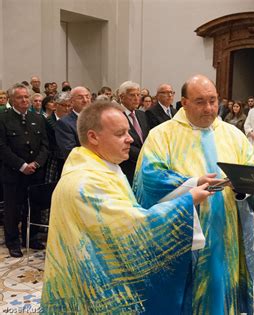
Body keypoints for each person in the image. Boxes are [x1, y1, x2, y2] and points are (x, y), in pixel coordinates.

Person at [41, 101, 212, 313]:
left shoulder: (101, 167)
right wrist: (186, 203)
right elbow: (135, 227)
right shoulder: (86, 184)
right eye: (120, 133)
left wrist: (190, 186)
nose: (130, 139)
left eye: (128, 132)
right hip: (91, 293)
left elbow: (126, 215)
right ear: (93, 137)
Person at [133, 74, 254, 314]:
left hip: (226, 232)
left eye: (213, 100)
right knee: (188, 296)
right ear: (184, 102)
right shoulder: (163, 135)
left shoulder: (233, 134)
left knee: (220, 289)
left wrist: (242, 184)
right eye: (200, 101)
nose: (209, 108)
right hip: (183, 236)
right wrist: (191, 184)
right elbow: (148, 177)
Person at [0, 83, 49, 257]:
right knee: (13, 209)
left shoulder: (38, 118)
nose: (24, 100)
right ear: (12, 99)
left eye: (26, 97)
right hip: (13, 173)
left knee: (34, 207)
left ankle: (32, 238)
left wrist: (36, 163)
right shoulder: (3, 118)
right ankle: (13, 242)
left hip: (35, 172)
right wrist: (21, 165)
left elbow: (45, 144)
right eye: (20, 97)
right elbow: (2, 147)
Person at [117, 81, 149, 185]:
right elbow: (120, 142)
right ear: (121, 97)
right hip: (126, 167)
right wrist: (145, 155)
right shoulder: (116, 115)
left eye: (138, 95)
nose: (136, 98)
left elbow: (147, 138)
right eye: (132, 95)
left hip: (143, 169)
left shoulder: (142, 115)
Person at [55, 86, 91, 160]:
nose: (85, 100)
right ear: (71, 102)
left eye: (87, 97)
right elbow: (71, 152)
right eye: (80, 97)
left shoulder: (98, 118)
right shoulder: (64, 123)